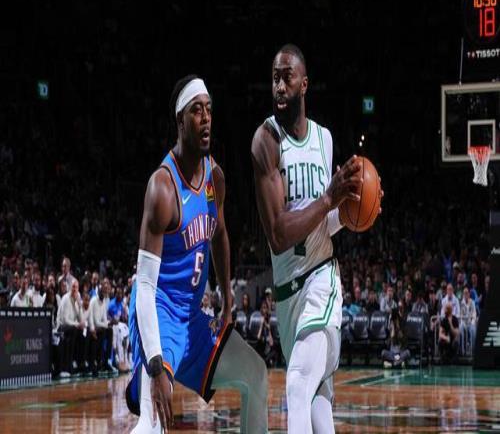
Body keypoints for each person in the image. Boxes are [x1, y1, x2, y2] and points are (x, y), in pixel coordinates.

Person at [127, 75, 267, 433]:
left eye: (209, 110)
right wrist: (155, 364)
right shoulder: (162, 188)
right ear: (180, 120)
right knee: (152, 423)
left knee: (255, 373)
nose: (206, 119)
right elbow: (145, 286)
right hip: (159, 315)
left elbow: (219, 235)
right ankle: (147, 386)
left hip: (192, 320)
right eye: (196, 111)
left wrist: (227, 300)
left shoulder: (214, 178)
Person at [251, 44, 378, 433]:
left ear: (304, 84)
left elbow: (325, 221)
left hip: (321, 282)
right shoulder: (265, 142)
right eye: (274, 78)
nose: (279, 86)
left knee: (297, 384)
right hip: (287, 295)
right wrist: (328, 201)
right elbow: (278, 235)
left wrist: (355, 213)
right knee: (318, 400)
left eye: (287, 77)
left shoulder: (324, 140)